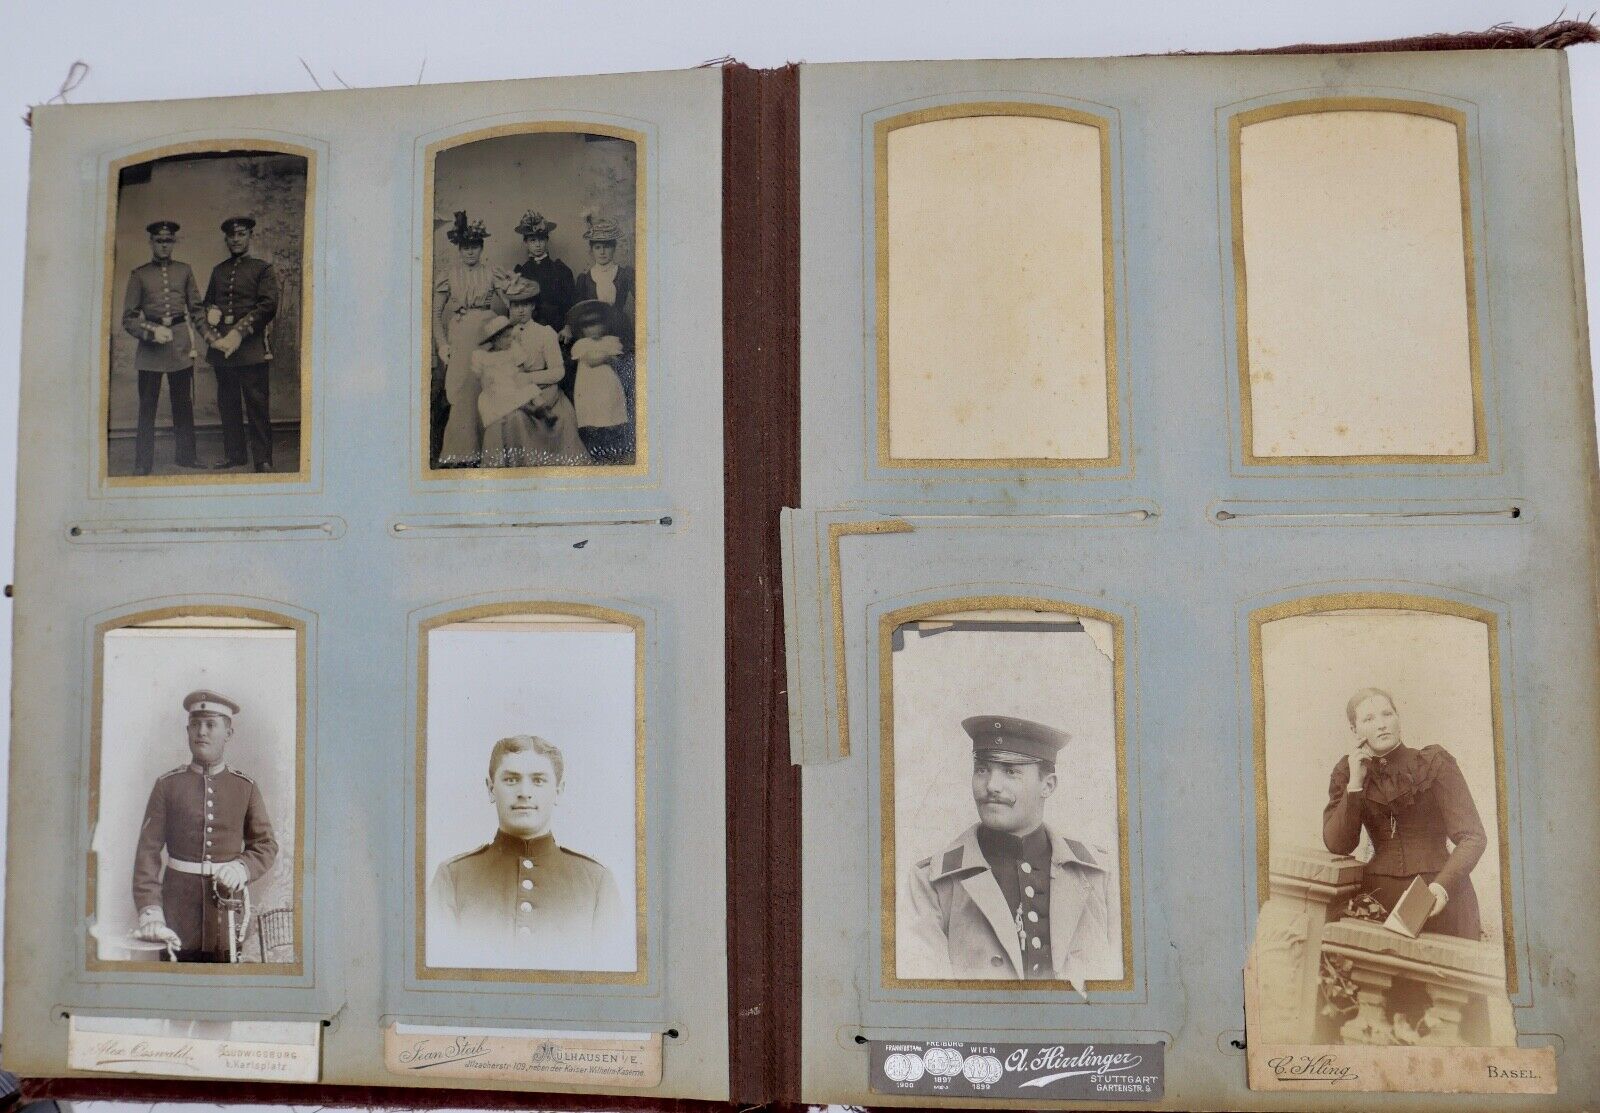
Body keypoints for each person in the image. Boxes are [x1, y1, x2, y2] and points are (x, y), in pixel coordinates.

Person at [902, 716, 1116, 984]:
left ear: (1048, 785)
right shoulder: (931, 882)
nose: (992, 786)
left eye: (1011, 771)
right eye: (982, 769)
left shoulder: (1102, 875)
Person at [429, 735, 627, 970]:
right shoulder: (453, 877)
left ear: (559, 791)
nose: (524, 792)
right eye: (511, 780)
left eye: (538, 780)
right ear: (491, 789)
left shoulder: (596, 881)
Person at [1323, 688, 1488, 940]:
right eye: (1368, 719)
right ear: (1355, 730)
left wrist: (1441, 888)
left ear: (1398, 718)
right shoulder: (1348, 772)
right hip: (1378, 903)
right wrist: (1355, 784)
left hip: (1440, 898)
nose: (1381, 725)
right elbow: (1338, 844)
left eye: (1387, 714)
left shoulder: (1433, 763)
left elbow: (1473, 837)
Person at [130, 690, 279, 962]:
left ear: (228, 733)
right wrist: (150, 911)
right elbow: (147, 853)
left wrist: (242, 867)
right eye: (196, 724)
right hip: (177, 916)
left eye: (210, 724)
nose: (202, 732)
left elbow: (266, 845)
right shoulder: (167, 786)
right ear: (188, 730)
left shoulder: (245, 787)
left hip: (227, 914)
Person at [120, 220, 204, 475]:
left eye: (168, 241)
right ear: (151, 242)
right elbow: (129, 319)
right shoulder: (139, 275)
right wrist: (151, 333)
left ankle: (187, 457)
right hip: (151, 350)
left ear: (173, 242)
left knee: (183, 404)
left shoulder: (184, 271)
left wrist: (212, 337)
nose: (164, 245)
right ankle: (143, 463)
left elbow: (196, 310)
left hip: (179, 346)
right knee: (147, 407)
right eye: (159, 241)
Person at [199, 217, 280, 473]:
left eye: (241, 234)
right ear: (226, 239)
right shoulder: (218, 271)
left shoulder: (262, 269)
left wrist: (239, 333)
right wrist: (211, 311)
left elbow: (268, 305)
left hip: (250, 346)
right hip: (223, 348)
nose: (236, 239)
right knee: (228, 403)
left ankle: (263, 459)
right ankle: (234, 454)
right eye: (231, 236)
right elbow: (208, 302)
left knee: (257, 405)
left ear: (250, 236)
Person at [476, 282, 587, 468]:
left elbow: (558, 372)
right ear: (509, 306)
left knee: (522, 416)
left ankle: (534, 465)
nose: (520, 310)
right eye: (515, 305)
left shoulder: (545, 333)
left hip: (542, 389)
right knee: (504, 415)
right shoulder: (500, 334)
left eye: (525, 305)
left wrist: (529, 378)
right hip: (510, 390)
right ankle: (509, 467)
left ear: (533, 306)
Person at [432, 211, 509, 466]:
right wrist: (442, 344)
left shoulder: (492, 273)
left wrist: (506, 331)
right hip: (460, 336)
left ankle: (487, 451)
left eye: (475, 246)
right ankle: (462, 452)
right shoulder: (449, 274)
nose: (470, 252)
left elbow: (512, 303)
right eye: (465, 247)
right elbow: (435, 313)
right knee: (460, 391)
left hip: (486, 334)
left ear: (481, 247)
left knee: (486, 388)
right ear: (459, 248)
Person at [566, 299, 633, 463]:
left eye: (597, 324)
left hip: (607, 385)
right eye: (588, 326)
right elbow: (591, 360)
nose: (593, 329)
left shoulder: (611, 340)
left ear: (605, 324)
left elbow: (617, 360)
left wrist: (609, 357)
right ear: (582, 329)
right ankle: (596, 451)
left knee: (609, 414)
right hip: (589, 387)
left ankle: (611, 450)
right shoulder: (581, 344)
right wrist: (607, 356)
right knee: (593, 417)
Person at [572, 212, 635, 349]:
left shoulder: (625, 274)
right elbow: (578, 311)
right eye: (597, 247)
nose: (602, 252)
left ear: (614, 248)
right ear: (592, 250)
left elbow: (643, 300)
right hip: (594, 332)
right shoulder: (584, 278)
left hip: (620, 329)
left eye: (606, 247)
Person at [511, 210, 575, 333]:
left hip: (557, 328)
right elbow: (514, 307)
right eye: (533, 240)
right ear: (525, 243)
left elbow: (571, 303)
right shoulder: (521, 272)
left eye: (541, 239)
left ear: (547, 240)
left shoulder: (561, 270)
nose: (538, 245)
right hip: (529, 329)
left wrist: (568, 327)